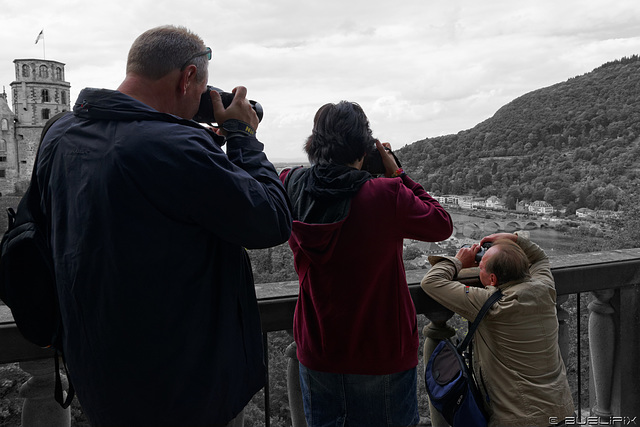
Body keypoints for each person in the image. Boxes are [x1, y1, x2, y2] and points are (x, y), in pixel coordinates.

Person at [34, 25, 292, 426]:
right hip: (184, 389)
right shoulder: (174, 147)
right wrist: (242, 137)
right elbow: (273, 221)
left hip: (101, 374)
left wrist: (199, 146)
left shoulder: (61, 133)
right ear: (188, 77)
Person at [280, 101, 454, 427]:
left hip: (319, 347)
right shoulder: (386, 195)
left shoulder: (291, 185)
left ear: (314, 144)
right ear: (362, 147)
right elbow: (441, 223)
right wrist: (397, 173)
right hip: (382, 350)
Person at [420, 232, 575, 427]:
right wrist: (514, 239)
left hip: (518, 421)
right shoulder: (545, 288)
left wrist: (458, 261)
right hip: (562, 411)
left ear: (492, 279)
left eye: (481, 267)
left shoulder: (492, 306)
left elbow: (431, 282)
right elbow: (539, 258)